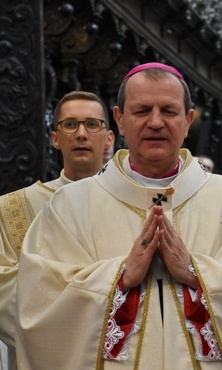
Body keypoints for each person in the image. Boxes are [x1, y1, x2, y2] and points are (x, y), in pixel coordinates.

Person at [15, 62, 222, 369]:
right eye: (142, 111)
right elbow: (39, 300)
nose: (156, 122)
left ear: (188, 121)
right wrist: (121, 275)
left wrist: (194, 271)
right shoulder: (70, 205)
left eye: (169, 111)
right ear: (119, 120)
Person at [0, 91, 114, 370]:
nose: (81, 134)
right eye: (70, 124)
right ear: (55, 137)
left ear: (109, 138)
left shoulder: (136, 203)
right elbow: (5, 294)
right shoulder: (14, 207)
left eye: (92, 124)